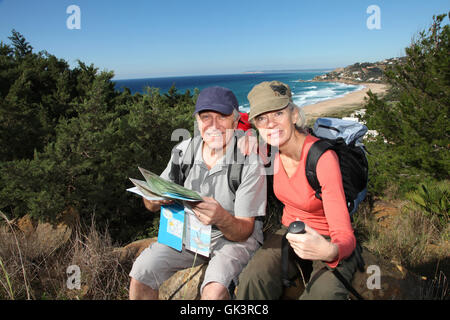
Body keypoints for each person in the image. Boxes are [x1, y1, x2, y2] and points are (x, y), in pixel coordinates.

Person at [129, 86, 267, 300]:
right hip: (191, 234)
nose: (213, 125)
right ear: (197, 121)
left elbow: (244, 230)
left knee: (214, 292)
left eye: (222, 116)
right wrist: (155, 200)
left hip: (233, 238)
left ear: (235, 119)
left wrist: (221, 218)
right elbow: (151, 203)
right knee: (142, 273)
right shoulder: (184, 151)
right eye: (205, 117)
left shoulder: (249, 161)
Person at [236, 81, 359, 300]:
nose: (270, 124)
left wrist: (330, 251)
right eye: (262, 118)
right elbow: (235, 127)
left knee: (321, 295)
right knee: (252, 279)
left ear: (293, 115)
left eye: (278, 114)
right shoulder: (269, 151)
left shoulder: (321, 158)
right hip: (291, 232)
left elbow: (344, 234)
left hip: (328, 238)